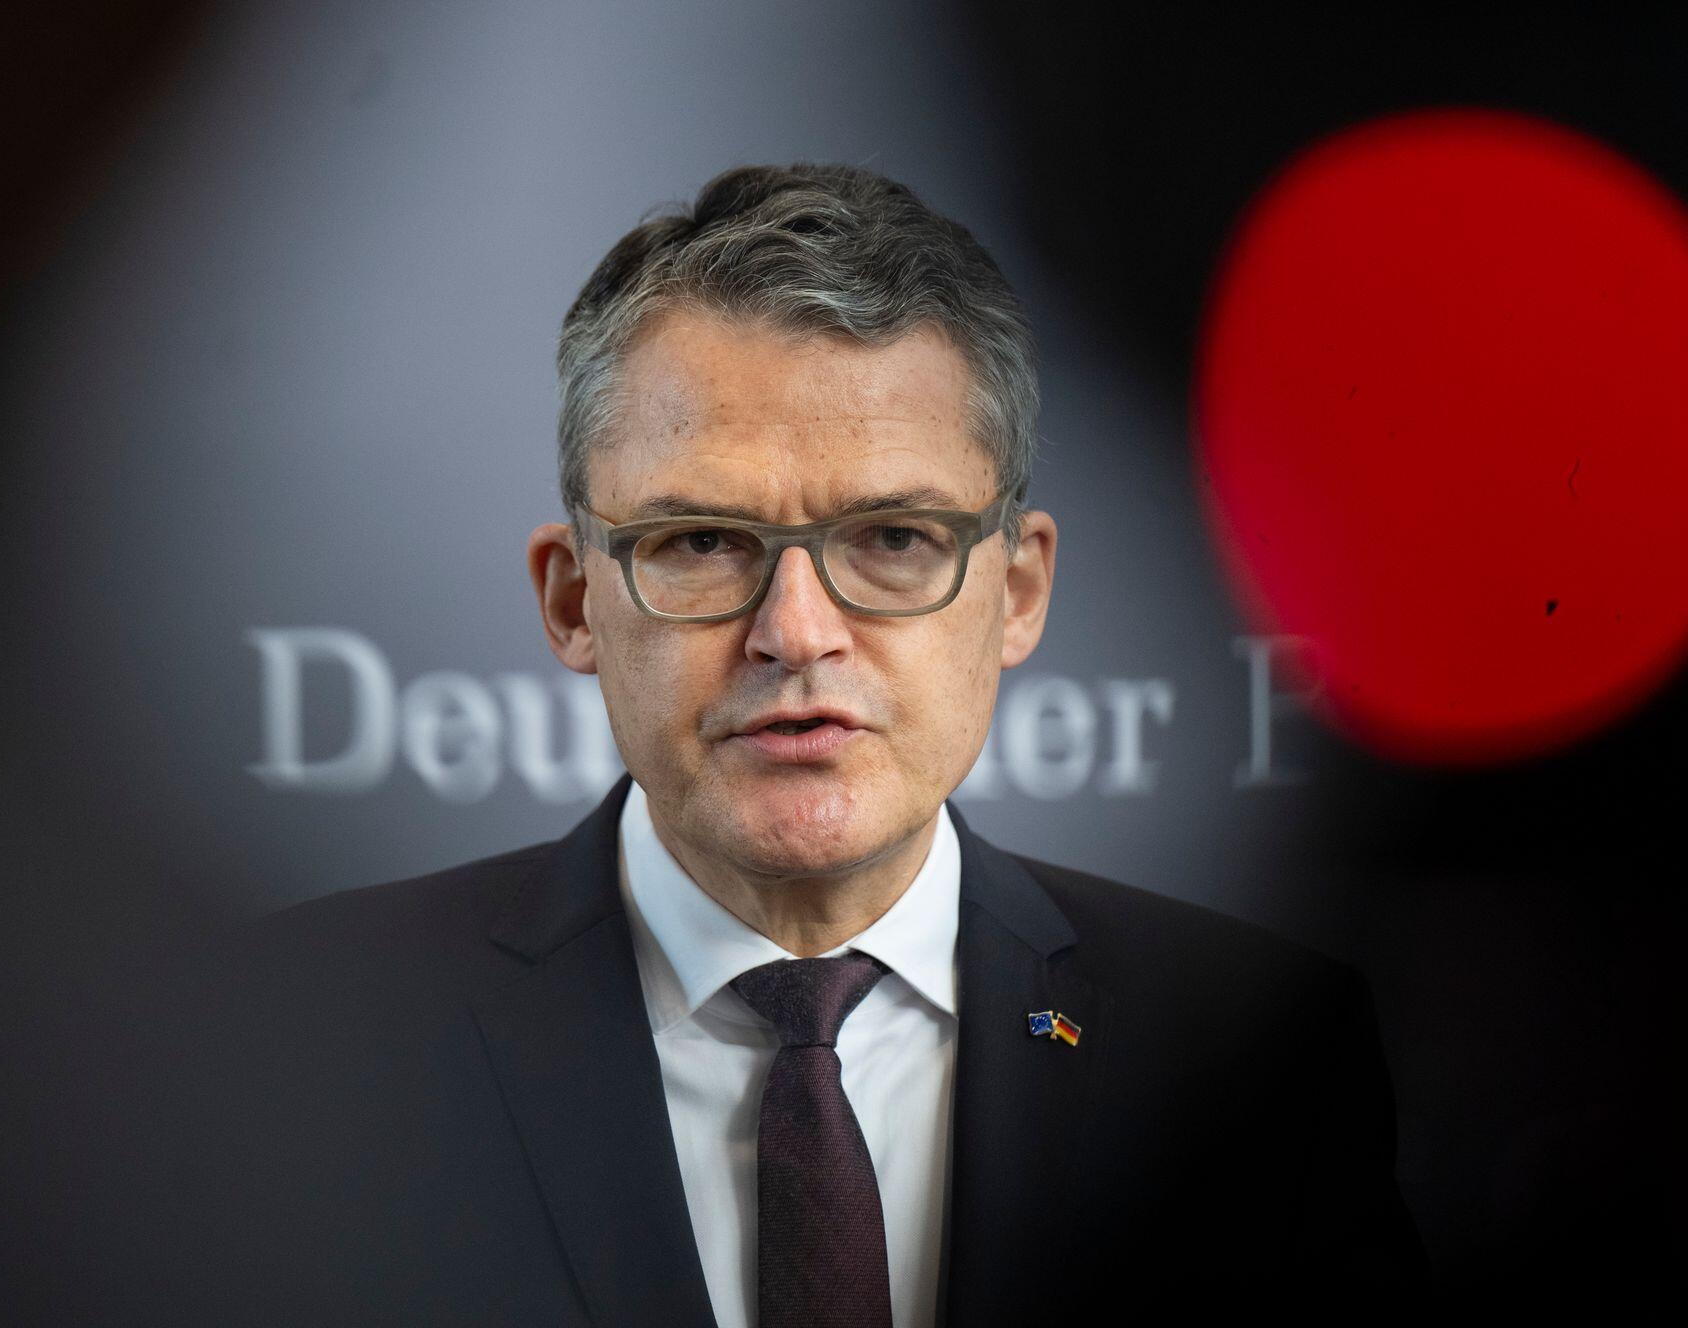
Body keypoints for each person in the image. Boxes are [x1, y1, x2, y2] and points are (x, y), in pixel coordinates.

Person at [157, 163, 1426, 1324]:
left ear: (1018, 590)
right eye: (703, 541)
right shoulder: (299, 1049)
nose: (796, 631)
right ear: (572, 599)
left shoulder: (1261, 1063)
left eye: (894, 539)